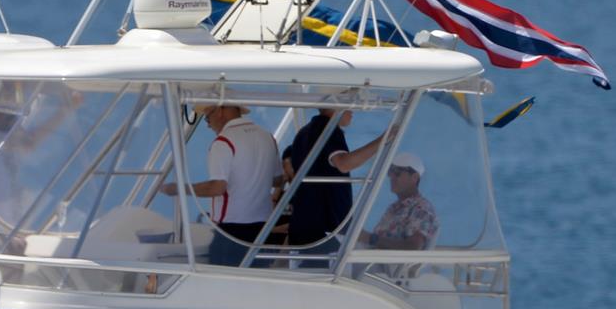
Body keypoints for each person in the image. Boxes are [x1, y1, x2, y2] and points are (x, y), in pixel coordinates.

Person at [160, 104, 280, 266]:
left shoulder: (224, 141)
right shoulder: (267, 137)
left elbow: (217, 188)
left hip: (232, 234)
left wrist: (178, 188)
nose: (208, 125)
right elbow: (278, 180)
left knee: (224, 279)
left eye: (207, 118)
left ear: (220, 111)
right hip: (263, 231)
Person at [281, 108, 388, 260]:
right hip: (324, 229)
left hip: (305, 223)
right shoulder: (328, 128)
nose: (352, 111)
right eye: (348, 105)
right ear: (336, 107)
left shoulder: (304, 133)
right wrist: (383, 140)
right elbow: (343, 163)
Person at [365, 150, 439, 250]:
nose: (391, 177)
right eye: (390, 172)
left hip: (387, 260)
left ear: (414, 177)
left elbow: (413, 247)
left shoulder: (422, 208)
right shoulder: (394, 207)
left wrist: (370, 238)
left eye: (397, 173)